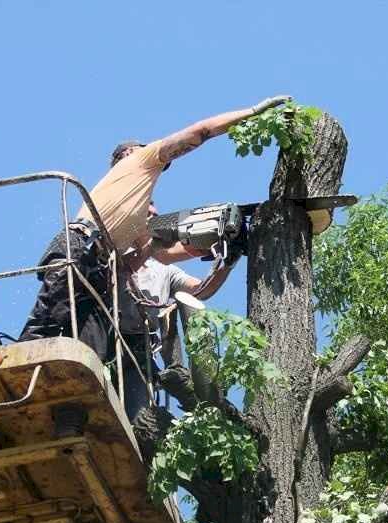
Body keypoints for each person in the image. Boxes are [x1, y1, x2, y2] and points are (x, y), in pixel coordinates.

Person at [19, 95, 290, 357]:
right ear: (128, 153)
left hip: (99, 273)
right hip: (80, 247)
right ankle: (16, 366)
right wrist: (254, 112)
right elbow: (202, 132)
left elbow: (160, 253)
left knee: (89, 350)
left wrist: (223, 247)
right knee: (48, 324)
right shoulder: (138, 161)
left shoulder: (136, 216)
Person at [119, 203, 236, 421]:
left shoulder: (163, 270)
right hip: (111, 341)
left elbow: (201, 290)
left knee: (141, 420)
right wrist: (154, 247)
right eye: (147, 214)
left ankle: (181, 375)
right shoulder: (114, 251)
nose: (153, 218)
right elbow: (123, 270)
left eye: (156, 215)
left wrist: (228, 262)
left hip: (139, 354)